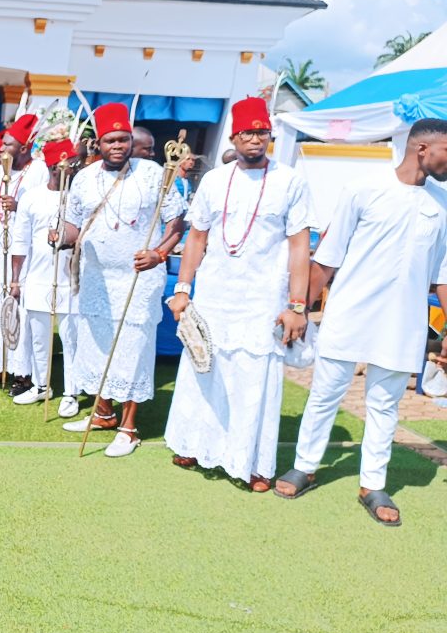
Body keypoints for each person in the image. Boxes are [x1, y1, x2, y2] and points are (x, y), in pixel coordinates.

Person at [275, 118, 447, 526]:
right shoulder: (364, 189)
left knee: (385, 406)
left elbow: (443, 274)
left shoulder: (443, 204)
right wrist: (298, 308)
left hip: (403, 323)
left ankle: (372, 484)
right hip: (350, 315)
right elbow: (327, 258)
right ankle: (305, 465)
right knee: (324, 396)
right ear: (422, 148)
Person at [164, 97, 314, 491]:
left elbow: (300, 246)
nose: (255, 139)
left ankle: (251, 463)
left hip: (264, 296)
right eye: (247, 132)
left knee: (253, 377)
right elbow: (196, 238)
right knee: (204, 366)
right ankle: (193, 444)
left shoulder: (290, 181)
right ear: (234, 135)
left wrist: (297, 305)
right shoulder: (215, 179)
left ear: (270, 136)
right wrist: (183, 288)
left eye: (262, 132)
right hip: (215, 294)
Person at [59, 103, 186, 456]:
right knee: (97, 346)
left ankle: (129, 429)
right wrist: (59, 238)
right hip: (97, 278)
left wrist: (159, 253)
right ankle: (102, 413)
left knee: (131, 351)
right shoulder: (84, 177)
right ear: (97, 143)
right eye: (110, 140)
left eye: (123, 139)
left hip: (138, 277)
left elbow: (177, 223)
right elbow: (73, 225)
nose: (117, 145)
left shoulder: (153, 173)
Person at [0, 114, 47, 395]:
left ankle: (23, 373)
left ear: (24, 148)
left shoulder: (38, 171)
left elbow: (43, 209)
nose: (2, 151)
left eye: (8, 146)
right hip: (0, 248)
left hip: (25, 249)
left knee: (19, 305)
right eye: (2, 145)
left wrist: (20, 205)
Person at [11, 138, 80, 417]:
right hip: (38, 277)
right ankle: (41, 386)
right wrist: (16, 280)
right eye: (56, 168)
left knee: (70, 338)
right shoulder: (31, 196)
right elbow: (20, 241)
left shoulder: (79, 195)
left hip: (71, 280)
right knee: (38, 337)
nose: (63, 173)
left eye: (69, 167)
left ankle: (71, 393)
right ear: (49, 166)